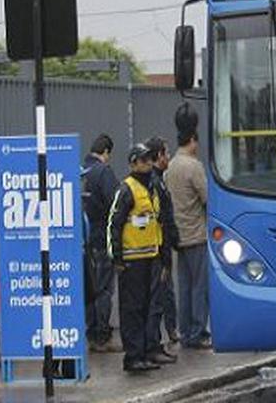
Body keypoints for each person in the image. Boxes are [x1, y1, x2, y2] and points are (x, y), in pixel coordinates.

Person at [107, 144, 176, 372]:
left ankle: (145, 352)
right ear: (133, 163)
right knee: (132, 310)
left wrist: (164, 256)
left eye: (149, 160)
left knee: (148, 307)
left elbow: (159, 222)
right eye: (142, 160)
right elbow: (113, 225)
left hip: (150, 257)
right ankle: (133, 356)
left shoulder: (152, 187)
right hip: (131, 261)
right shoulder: (127, 189)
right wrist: (116, 259)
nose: (147, 164)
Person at [165, 103, 211, 349]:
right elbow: (207, 199)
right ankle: (198, 332)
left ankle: (184, 331)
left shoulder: (170, 166)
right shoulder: (193, 166)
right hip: (197, 234)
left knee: (183, 287)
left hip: (178, 236)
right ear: (192, 140)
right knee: (199, 287)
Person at [82, 133, 121, 353]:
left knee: (90, 288)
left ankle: (91, 333)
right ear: (106, 152)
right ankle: (103, 336)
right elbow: (116, 204)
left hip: (86, 240)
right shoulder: (103, 172)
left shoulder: (82, 171)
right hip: (102, 238)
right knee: (104, 289)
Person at [145, 136, 181, 349]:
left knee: (162, 294)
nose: (168, 157)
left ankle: (167, 332)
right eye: (166, 153)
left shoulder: (155, 181)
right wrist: (167, 253)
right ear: (158, 156)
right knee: (160, 295)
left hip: (155, 248)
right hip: (158, 249)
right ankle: (159, 339)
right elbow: (164, 220)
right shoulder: (156, 184)